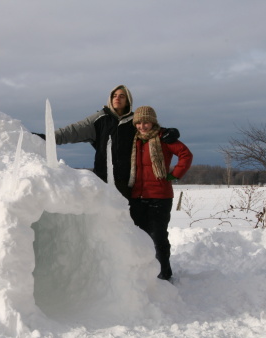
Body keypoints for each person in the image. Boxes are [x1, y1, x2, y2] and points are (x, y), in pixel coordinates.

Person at [34, 85, 180, 200]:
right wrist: (47, 137)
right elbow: (73, 131)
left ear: (128, 100)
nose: (117, 98)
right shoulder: (99, 119)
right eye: (114, 95)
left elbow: (151, 129)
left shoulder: (135, 121)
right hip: (102, 180)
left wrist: (168, 132)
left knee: (127, 225)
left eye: (122, 96)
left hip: (128, 183)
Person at [128, 106, 193, 281]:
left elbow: (185, 154)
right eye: (139, 122)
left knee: (158, 236)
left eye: (146, 122)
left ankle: (164, 273)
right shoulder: (133, 140)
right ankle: (143, 272)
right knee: (139, 236)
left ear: (153, 122)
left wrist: (174, 174)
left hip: (160, 196)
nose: (143, 126)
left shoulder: (163, 138)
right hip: (137, 196)